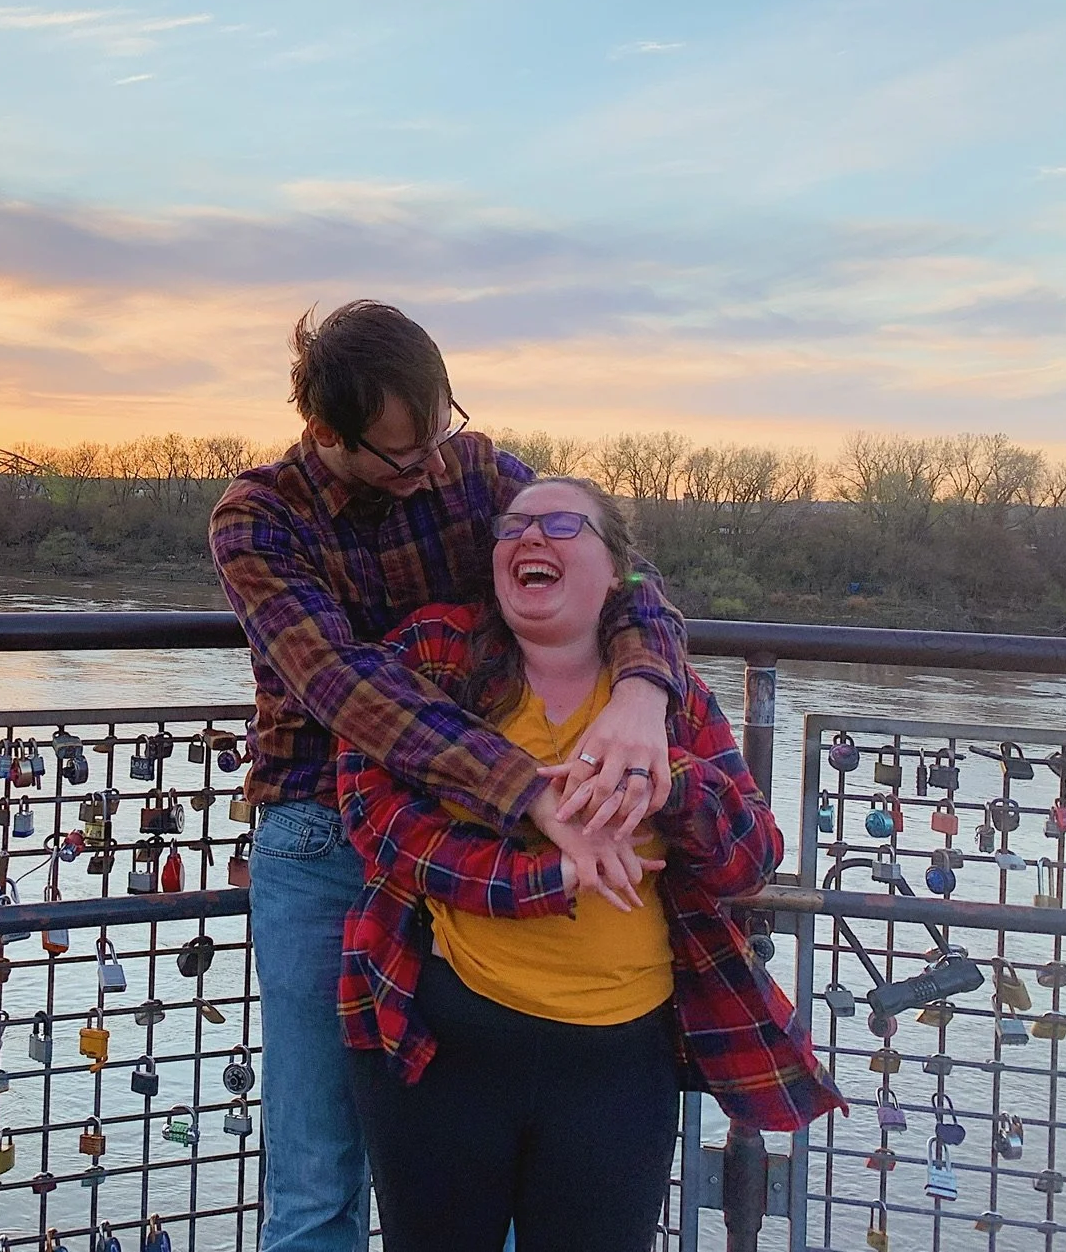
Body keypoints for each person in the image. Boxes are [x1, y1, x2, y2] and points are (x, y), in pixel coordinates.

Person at [209, 303, 691, 1252]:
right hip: (324, 835)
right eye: (403, 453)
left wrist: (643, 691)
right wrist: (529, 790)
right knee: (315, 1168)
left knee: (480, 1143)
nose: (431, 465)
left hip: (465, 839)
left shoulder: (476, 471)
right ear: (325, 431)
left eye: (440, 430)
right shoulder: (258, 517)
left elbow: (625, 578)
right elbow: (343, 684)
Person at [336, 476, 843, 1252]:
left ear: (617, 575)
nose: (530, 536)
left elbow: (751, 860)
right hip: (442, 1037)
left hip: (618, 1061)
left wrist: (670, 784)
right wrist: (547, 876)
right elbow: (377, 817)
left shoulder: (668, 695)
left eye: (562, 524)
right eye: (513, 526)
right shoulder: (433, 652)